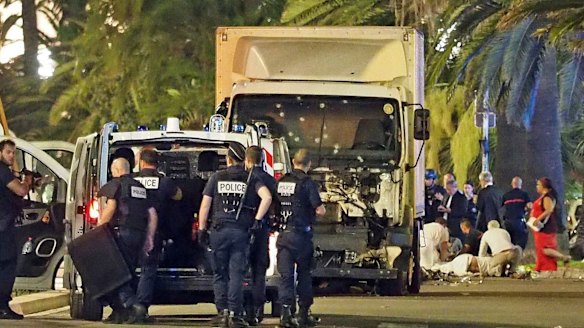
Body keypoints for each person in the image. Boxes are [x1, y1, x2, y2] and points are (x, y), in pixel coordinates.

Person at [197, 142, 272, 328]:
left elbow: (205, 205)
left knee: (220, 274)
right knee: (236, 274)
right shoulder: (250, 178)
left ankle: (222, 313)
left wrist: (201, 228)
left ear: (228, 159)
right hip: (241, 232)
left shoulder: (217, 177)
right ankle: (235, 313)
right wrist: (257, 219)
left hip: (219, 231)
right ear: (243, 160)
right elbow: (267, 197)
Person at [97, 157, 158, 324]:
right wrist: (149, 238)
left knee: (115, 274)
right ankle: (120, 312)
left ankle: (133, 305)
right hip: (138, 235)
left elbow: (110, 209)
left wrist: (97, 230)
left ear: (115, 171)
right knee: (128, 273)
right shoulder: (141, 188)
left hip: (121, 234)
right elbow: (152, 215)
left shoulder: (116, 185)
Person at [276, 149, 325, 328]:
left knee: (286, 276)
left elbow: (275, 206)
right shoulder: (307, 183)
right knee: (304, 275)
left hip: (284, 234)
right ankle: (304, 314)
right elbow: (320, 210)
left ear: (292, 161)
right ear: (309, 164)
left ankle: (286, 313)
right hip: (301, 236)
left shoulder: (281, 182)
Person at [133, 149, 182, 323]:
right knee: (148, 269)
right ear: (157, 164)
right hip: (156, 230)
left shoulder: (132, 180)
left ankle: (125, 305)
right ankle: (141, 306)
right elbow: (179, 196)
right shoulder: (164, 182)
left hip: (132, 229)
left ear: (141, 163)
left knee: (129, 268)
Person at [0, 139, 36, 320]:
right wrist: (28, 181)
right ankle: (2, 306)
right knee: (7, 264)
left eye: (13, 153)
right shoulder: (3, 172)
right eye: (8, 152)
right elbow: (20, 191)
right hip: (3, 227)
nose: (12, 156)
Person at [243, 146, 276, 326]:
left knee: (242, 270)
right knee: (259, 271)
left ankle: (244, 309)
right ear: (262, 160)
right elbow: (275, 204)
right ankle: (257, 311)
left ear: (247, 160)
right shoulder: (269, 180)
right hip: (262, 230)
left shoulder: (245, 178)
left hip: (244, 229)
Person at [529, 177, 571, 272]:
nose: (537, 187)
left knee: (545, 249)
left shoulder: (547, 197)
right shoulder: (543, 197)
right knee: (541, 249)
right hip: (539, 229)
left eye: (538, 185)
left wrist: (538, 219)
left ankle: (563, 257)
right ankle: (544, 267)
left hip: (545, 227)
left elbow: (549, 209)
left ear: (544, 186)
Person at [502, 177, 531, 249]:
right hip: (519, 221)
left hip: (508, 222)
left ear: (512, 184)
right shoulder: (524, 194)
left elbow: (500, 206)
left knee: (510, 241)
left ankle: (511, 257)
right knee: (520, 241)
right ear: (520, 184)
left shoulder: (506, 195)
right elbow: (529, 205)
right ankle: (518, 255)